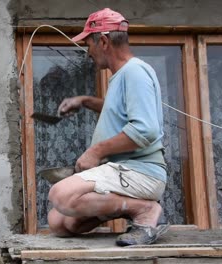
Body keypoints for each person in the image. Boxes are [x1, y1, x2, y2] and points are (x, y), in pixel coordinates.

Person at [47, 8, 169, 246]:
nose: (87, 53)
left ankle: (144, 210)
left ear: (102, 41)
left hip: (141, 171)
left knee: (60, 195)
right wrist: (85, 101)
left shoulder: (135, 72)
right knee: (60, 222)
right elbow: (119, 111)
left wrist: (96, 151)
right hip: (125, 171)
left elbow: (145, 129)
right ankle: (125, 208)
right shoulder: (122, 75)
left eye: (88, 45)